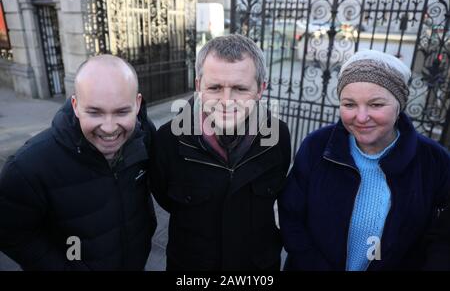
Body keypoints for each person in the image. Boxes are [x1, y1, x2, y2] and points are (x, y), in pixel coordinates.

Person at [279, 49, 450, 271]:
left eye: (376, 104)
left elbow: (442, 236)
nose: (361, 117)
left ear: (399, 105)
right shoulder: (316, 146)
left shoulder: (434, 161)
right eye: (349, 104)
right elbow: (291, 215)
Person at [0, 55, 157, 270]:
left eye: (122, 111)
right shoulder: (28, 167)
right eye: (94, 112)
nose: (109, 127)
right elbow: (11, 233)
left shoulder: (145, 135)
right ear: (75, 105)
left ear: (137, 104)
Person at [151, 34, 291, 270]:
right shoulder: (168, 140)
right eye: (215, 88)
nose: (226, 101)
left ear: (260, 89)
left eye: (240, 88)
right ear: (198, 86)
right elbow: (163, 196)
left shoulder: (278, 137)